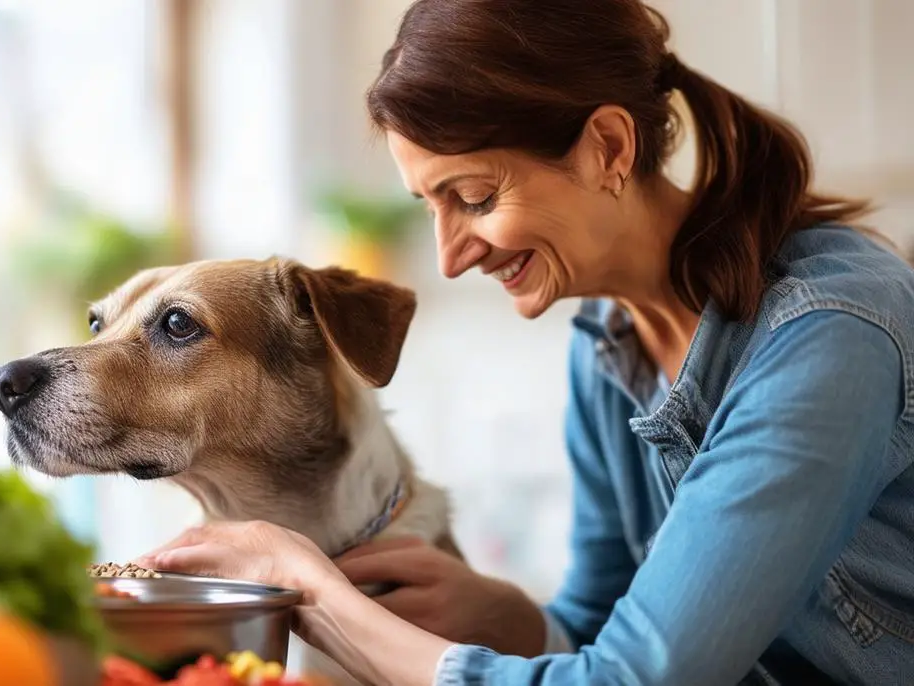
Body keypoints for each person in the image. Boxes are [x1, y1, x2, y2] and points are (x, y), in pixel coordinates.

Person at [136, 0, 914, 683]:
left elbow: (632, 680)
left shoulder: (828, 336)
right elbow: (603, 618)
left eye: (473, 197)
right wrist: (507, 616)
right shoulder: (610, 340)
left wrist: (309, 590)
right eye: (429, 206)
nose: (450, 255)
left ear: (608, 147)